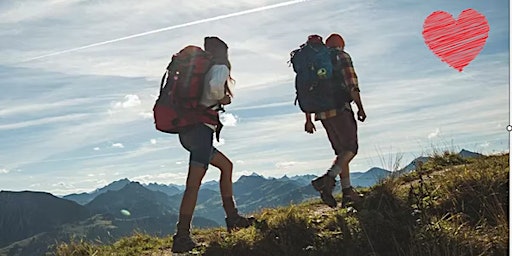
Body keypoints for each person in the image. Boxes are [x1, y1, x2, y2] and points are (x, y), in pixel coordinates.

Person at [171, 36, 255, 253]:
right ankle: (181, 236)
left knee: (226, 166)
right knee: (193, 185)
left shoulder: (203, 68)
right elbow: (214, 87)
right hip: (201, 131)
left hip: (189, 131)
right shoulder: (219, 67)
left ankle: (233, 218)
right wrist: (222, 99)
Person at [308, 33, 367, 208]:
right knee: (351, 149)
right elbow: (351, 84)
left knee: (341, 152)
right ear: (342, 44)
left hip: (322, 113)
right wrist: (360, 107)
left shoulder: (316, 61)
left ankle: (347, 192)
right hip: (340, 109)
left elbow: (307, 90)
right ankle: (328, 178)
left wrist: (309, 118)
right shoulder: (342, 56)